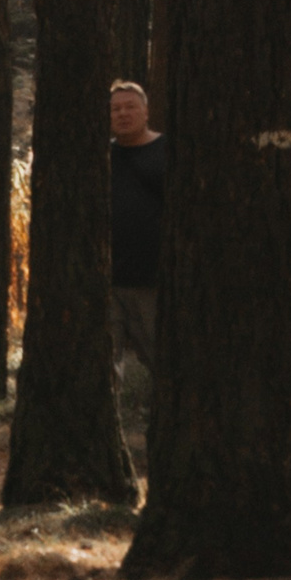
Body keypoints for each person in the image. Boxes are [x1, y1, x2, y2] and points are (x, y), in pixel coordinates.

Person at [109, 81, 166, 370]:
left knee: (164, 363)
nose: (123, 114)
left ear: (146, 112)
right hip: (108, 283)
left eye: (130, 106)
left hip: (154, 284)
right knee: (104, 367)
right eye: (116, 109)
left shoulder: (167, 152)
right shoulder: (101, 158)